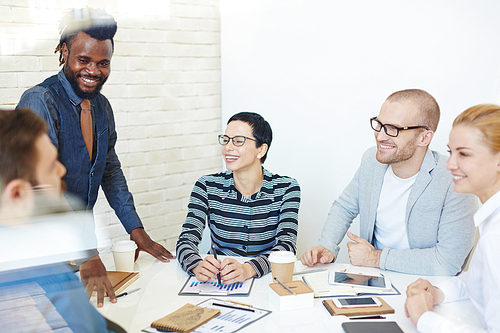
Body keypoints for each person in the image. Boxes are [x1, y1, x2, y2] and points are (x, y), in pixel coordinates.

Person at [17, 8, 174, 305]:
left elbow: (109, 171)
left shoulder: (101, 106)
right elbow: (41, 185)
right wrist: (87, 252)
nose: (93, 71)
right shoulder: (39, 101)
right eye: (84, 60)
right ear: (64, 51)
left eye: (103, 63)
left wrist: (136, 230)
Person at [300, 89, 477, 275]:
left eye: (394, 129)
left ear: (424, 138)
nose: (380, 136)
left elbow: (447, 262)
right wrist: (327, 245)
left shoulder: (454, 180)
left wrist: (376, 258)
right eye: (379, 124)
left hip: (428, 286)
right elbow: (344, 207)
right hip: (375, 280)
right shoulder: (371, 161)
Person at [0, 108, 125, 333]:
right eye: (50, 167)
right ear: (17, 195)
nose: (62, 170)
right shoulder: (38, 283)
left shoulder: (33, 255)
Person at [405, 104, 500, 332]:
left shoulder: (495, 238)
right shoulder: (491, 222)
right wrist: (437, 291)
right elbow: (477, 280)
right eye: (451, 152)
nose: (450, 165)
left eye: (464, 154)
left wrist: (424, 318)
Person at [176, 112, 301, 283]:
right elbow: (186, 240)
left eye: (238, 141)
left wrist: (248, 269)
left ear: (261, 149)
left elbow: (287, 247)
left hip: (264, 281)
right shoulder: (206, 186)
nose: (228, 147)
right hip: (219, 281)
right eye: (226, 139)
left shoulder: (286, 188)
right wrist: (196, 265)